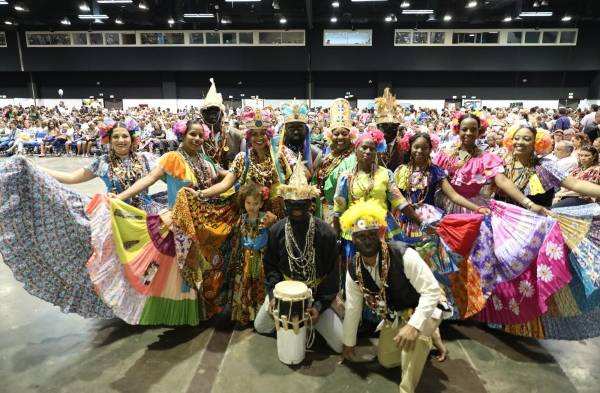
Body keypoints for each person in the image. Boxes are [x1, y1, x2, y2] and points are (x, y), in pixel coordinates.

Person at [340, 200, 441, 393]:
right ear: (353, 239)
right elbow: (353, 307)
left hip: (422, 310)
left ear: (380, 234)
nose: (367, 241)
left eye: (371, 234)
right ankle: (426, 337)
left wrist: (414, 325)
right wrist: (348, 343)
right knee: (386, 361)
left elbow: (432, 291)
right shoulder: (354, 268)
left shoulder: (403, 254)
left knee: (416, 340)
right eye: (361, 236)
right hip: (393, 315)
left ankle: (407, 388)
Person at [254, 158, 343, 353]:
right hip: (284, 294)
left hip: (316, 295)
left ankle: (309, 325)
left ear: (311, 203)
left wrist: (318, 307)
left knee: (340, 344)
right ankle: (294, 326)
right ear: (285, 203)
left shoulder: (325, 232)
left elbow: (332, 276)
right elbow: (271, 268)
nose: (296, 207)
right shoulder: (277, 230)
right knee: (260, 326)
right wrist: (274, 297)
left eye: (302, 203)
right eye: (292, 203)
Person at [228, 181, 272, 326]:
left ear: (261, 204)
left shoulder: (265, 218)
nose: (252, 207)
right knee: (245, 283)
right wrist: (245, 243)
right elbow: (239, 235)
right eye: (248, 203)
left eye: (255, 203)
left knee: (258, 283)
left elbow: (266, 235)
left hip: (260, 258)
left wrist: (256, 243)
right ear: (244, 202)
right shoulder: (242, 218)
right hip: (244, 258)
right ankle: (246, 313)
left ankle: (259, 316)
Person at [313, 98, 357, 223]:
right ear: (330, 136)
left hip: (345, 215)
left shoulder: (355, 158)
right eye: (336, 134)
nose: (340, 137)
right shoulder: (325, 157)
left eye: (344, 133)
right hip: (323, 212)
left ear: (351, 135)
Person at [200, 78, 243, 169]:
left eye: (215, 111)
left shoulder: (237, 136)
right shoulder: (197, 137)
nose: (211, 115)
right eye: (207, 111)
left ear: (222, 114)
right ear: (202, 115)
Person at [276, 100, 321, 172]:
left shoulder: (316, 154)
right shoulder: (276, 152)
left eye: (300, 127)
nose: (296, 131)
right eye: (291, 127)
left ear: (306, 130)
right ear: (285, 130)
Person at [375, 88, 406, 171]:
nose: (388, 130)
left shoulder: (404, 147)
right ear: (378, 127)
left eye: (393, 126)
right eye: (384, 126)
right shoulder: (372, 146)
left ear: (397, 128)